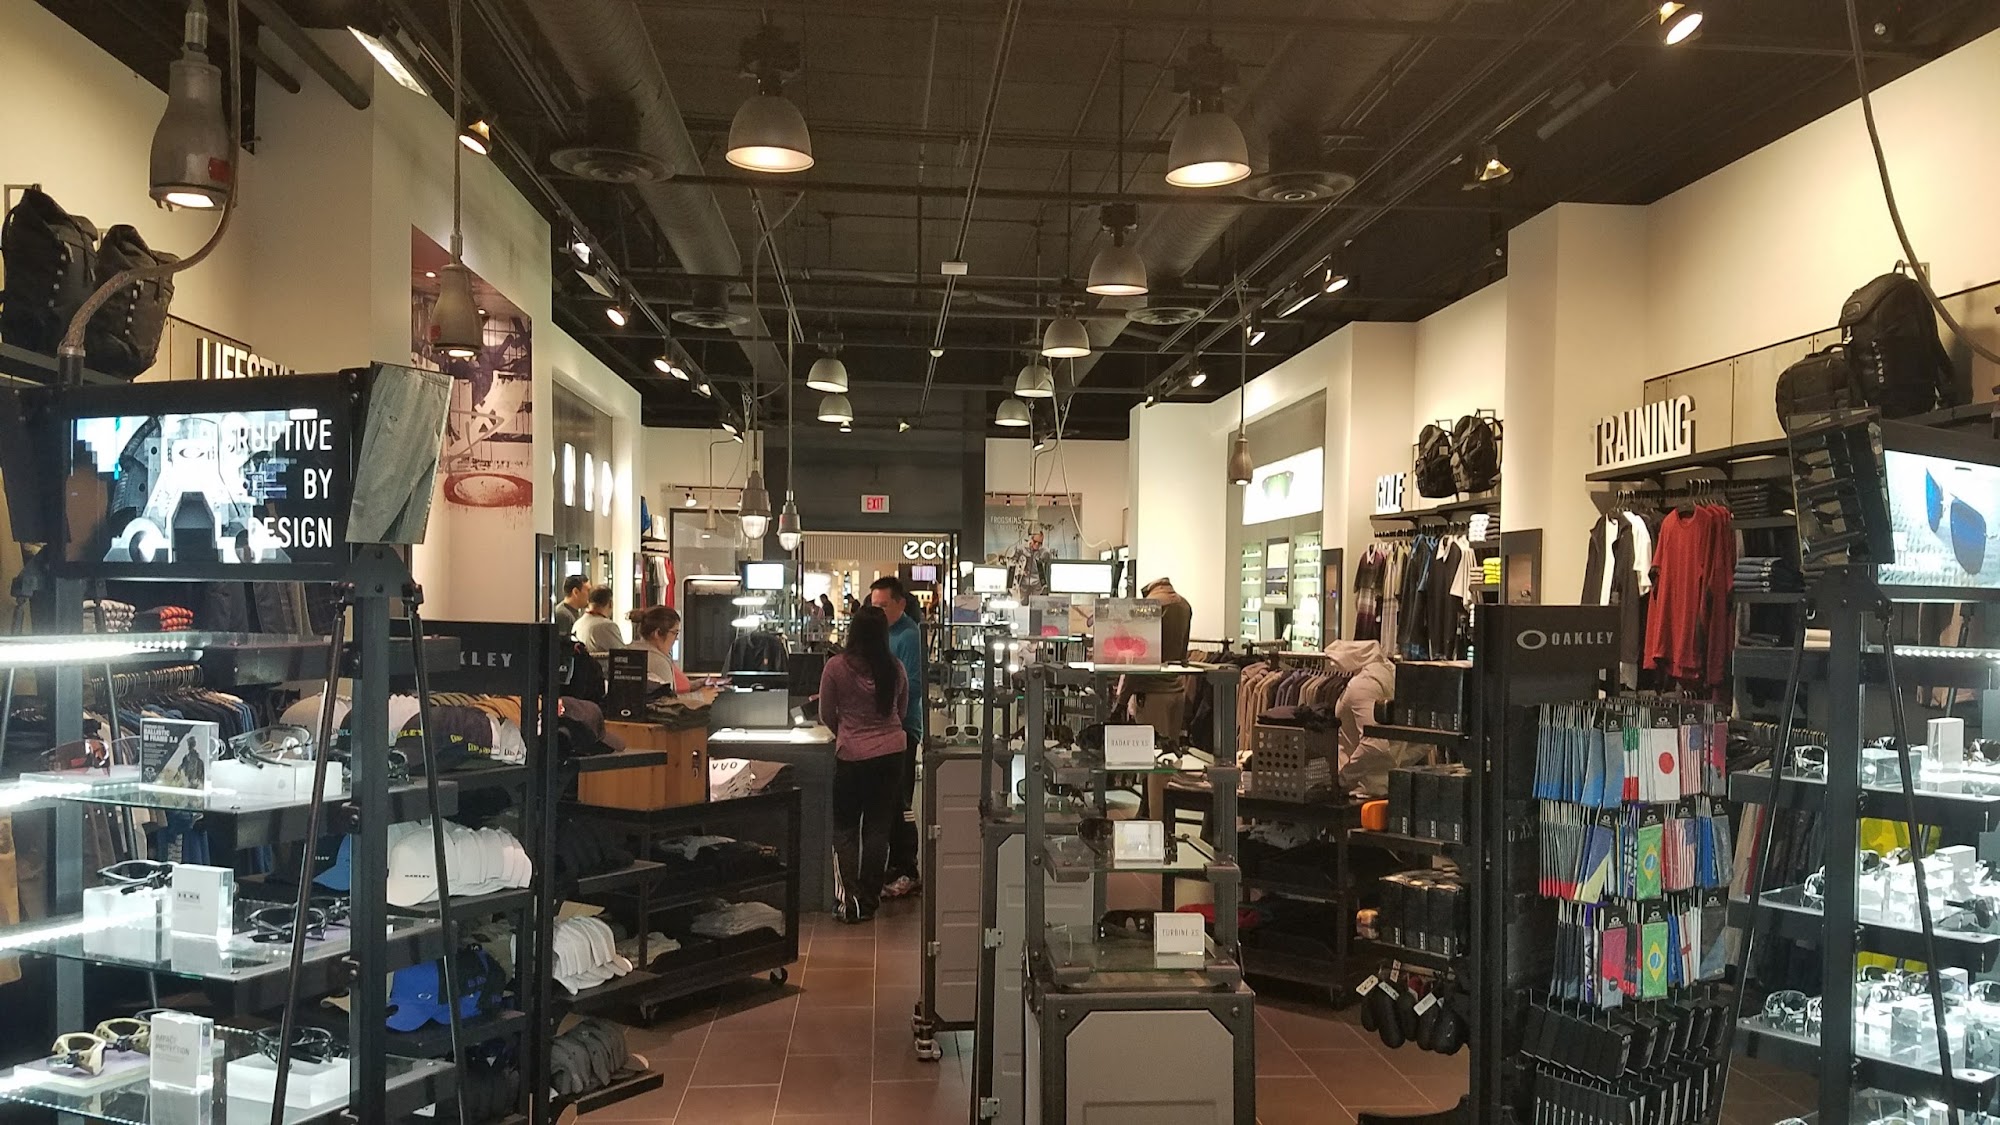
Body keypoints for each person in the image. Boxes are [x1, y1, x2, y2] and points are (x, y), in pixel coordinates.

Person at [818, 605, 909, 923]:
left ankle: (849, 900)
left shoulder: (835, 667)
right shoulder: (895, 668)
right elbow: (901, 710)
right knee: (878, 828)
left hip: (852, 756)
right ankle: (869, 900)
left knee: (845, 829)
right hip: (891, 755)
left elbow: (826, 712)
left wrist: (845, 732)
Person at [869, 575, 926, 896]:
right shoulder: (878, 634)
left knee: (900, 801)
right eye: (873, 606)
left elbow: (915, 686)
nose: (877, 612)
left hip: (902, 729)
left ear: (900, 604)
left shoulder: (909, 636)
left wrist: (886, 706)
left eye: (883, 606)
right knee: (886, 802)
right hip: (881, 729)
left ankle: (908, 868)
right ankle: (894, 864)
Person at [1119, 577, 1194, 738]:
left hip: (1151, 693)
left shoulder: (1148, 607)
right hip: (1177, 691)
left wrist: (1122, 701)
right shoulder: (1185, 605)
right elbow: (1183, 655)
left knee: (1150, 749)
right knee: (1172, 750)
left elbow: (1138, 660)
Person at [629, 605, 692, 694]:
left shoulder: (630, 650)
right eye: (675, 632)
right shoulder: (659, 662)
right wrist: (700, 696)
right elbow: (668, 700)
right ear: (657, 633)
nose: (676, 638)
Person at [573, 585, 626, 654]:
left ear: (588, 602)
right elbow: (622, 655)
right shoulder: (607, 626)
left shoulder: (577, 624)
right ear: (611, 604)